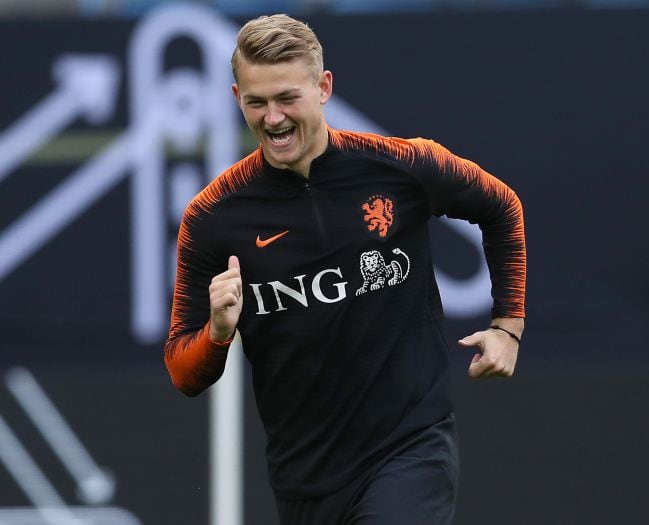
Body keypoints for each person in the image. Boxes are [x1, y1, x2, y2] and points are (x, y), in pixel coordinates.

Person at [163, 14, 525, 524]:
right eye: (256, 102)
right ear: (235, 97)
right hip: (303, 477)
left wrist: (508, 325)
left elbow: (502, 206)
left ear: (324, 87)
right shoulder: (213, 215)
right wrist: (219, 332)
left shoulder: (402, 165)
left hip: (410, 446)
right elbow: (182, 369)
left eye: (287, 98)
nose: (273, 118)